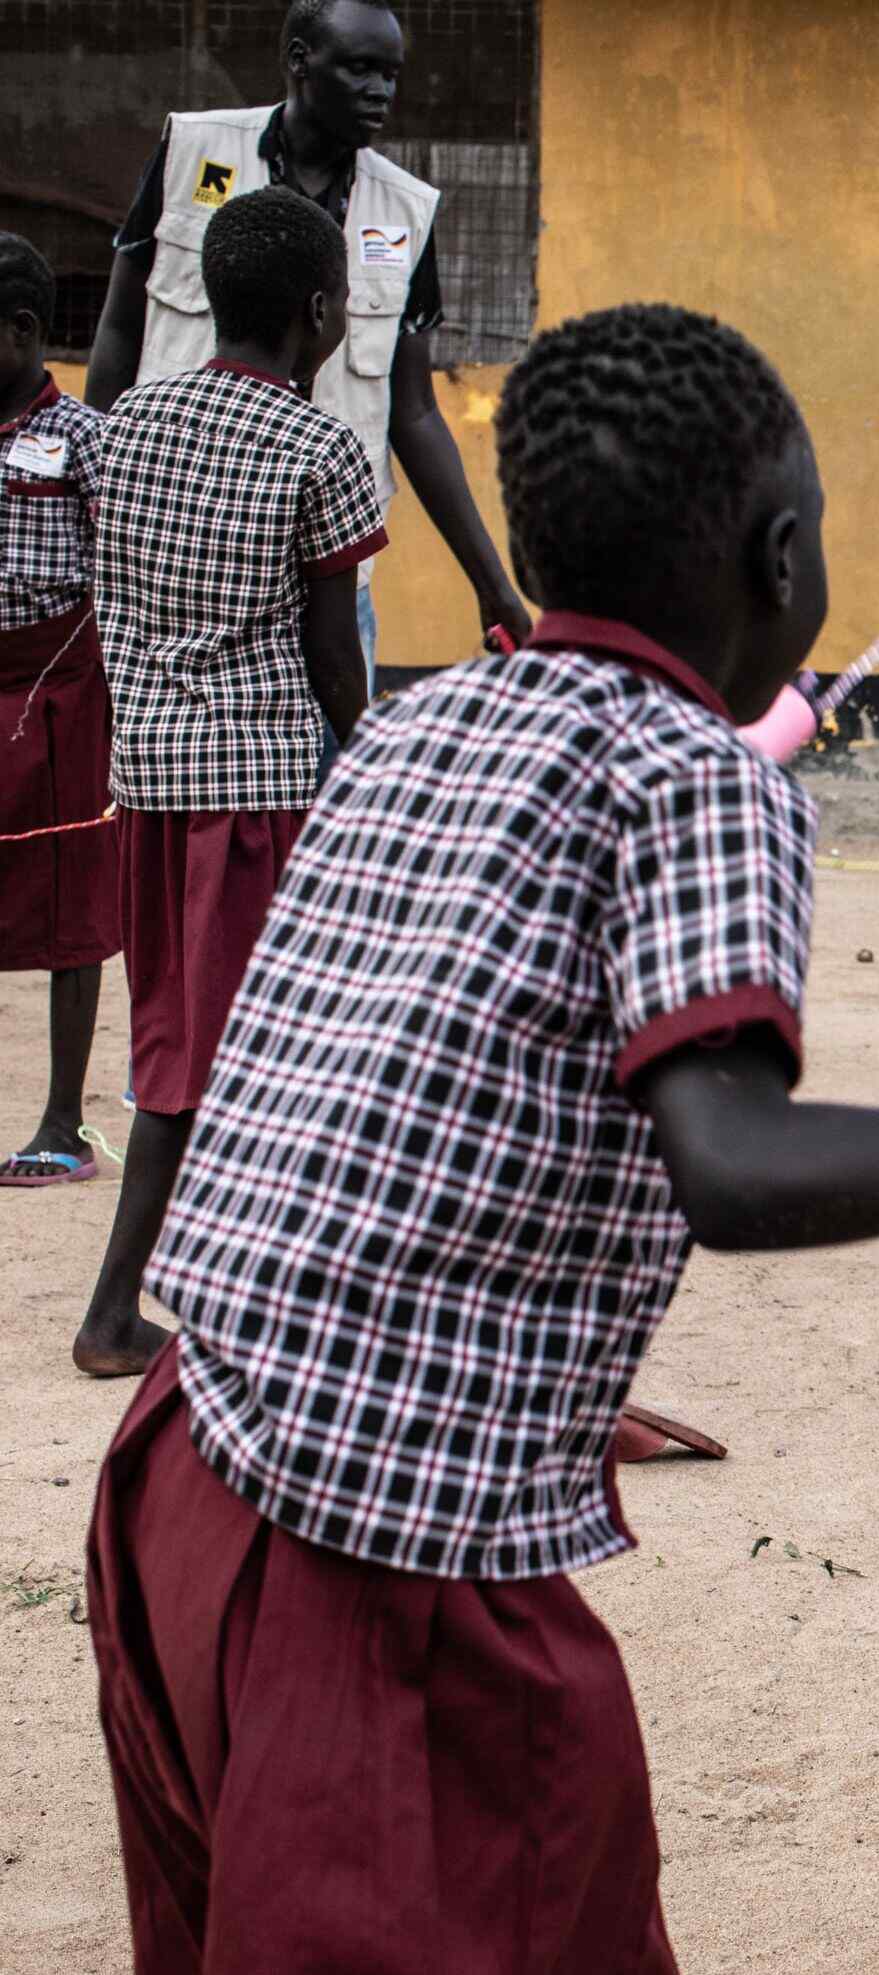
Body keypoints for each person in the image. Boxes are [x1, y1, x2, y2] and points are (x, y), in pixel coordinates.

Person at [84, 301, 879, 1975]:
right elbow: (740, 1168)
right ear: (784, 557)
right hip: (380, 1565)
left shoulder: (411, 727)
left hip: (184, 1476)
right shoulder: (704, 779)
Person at [69, 187, 384, 1379]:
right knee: (257, 1059)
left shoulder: (128, 427)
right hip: (257, 792)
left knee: (175, 1043)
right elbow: (330, 649)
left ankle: (161, 1306)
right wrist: (370, 773)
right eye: (346, 295)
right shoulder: (318, 449)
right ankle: (152, 1315)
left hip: (146, 789)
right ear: (317, 312)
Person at [84, 0, 530, 703]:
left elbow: (412, 413)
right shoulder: (192, 151)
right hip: (172, 576)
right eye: (359, 68)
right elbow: (118, 330)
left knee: (327, 784)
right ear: (298, 60)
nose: (380, 91)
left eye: (391, 74)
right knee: (173, 785)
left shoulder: (406, 210)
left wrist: (493, 585)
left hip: (328, 583)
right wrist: (95, 497)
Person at [1, 235, 125, 1191]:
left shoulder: (87, 440)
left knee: (70, 900)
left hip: (65, 689)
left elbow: (121, 577)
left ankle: (60, 1124)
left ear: (25, 332)